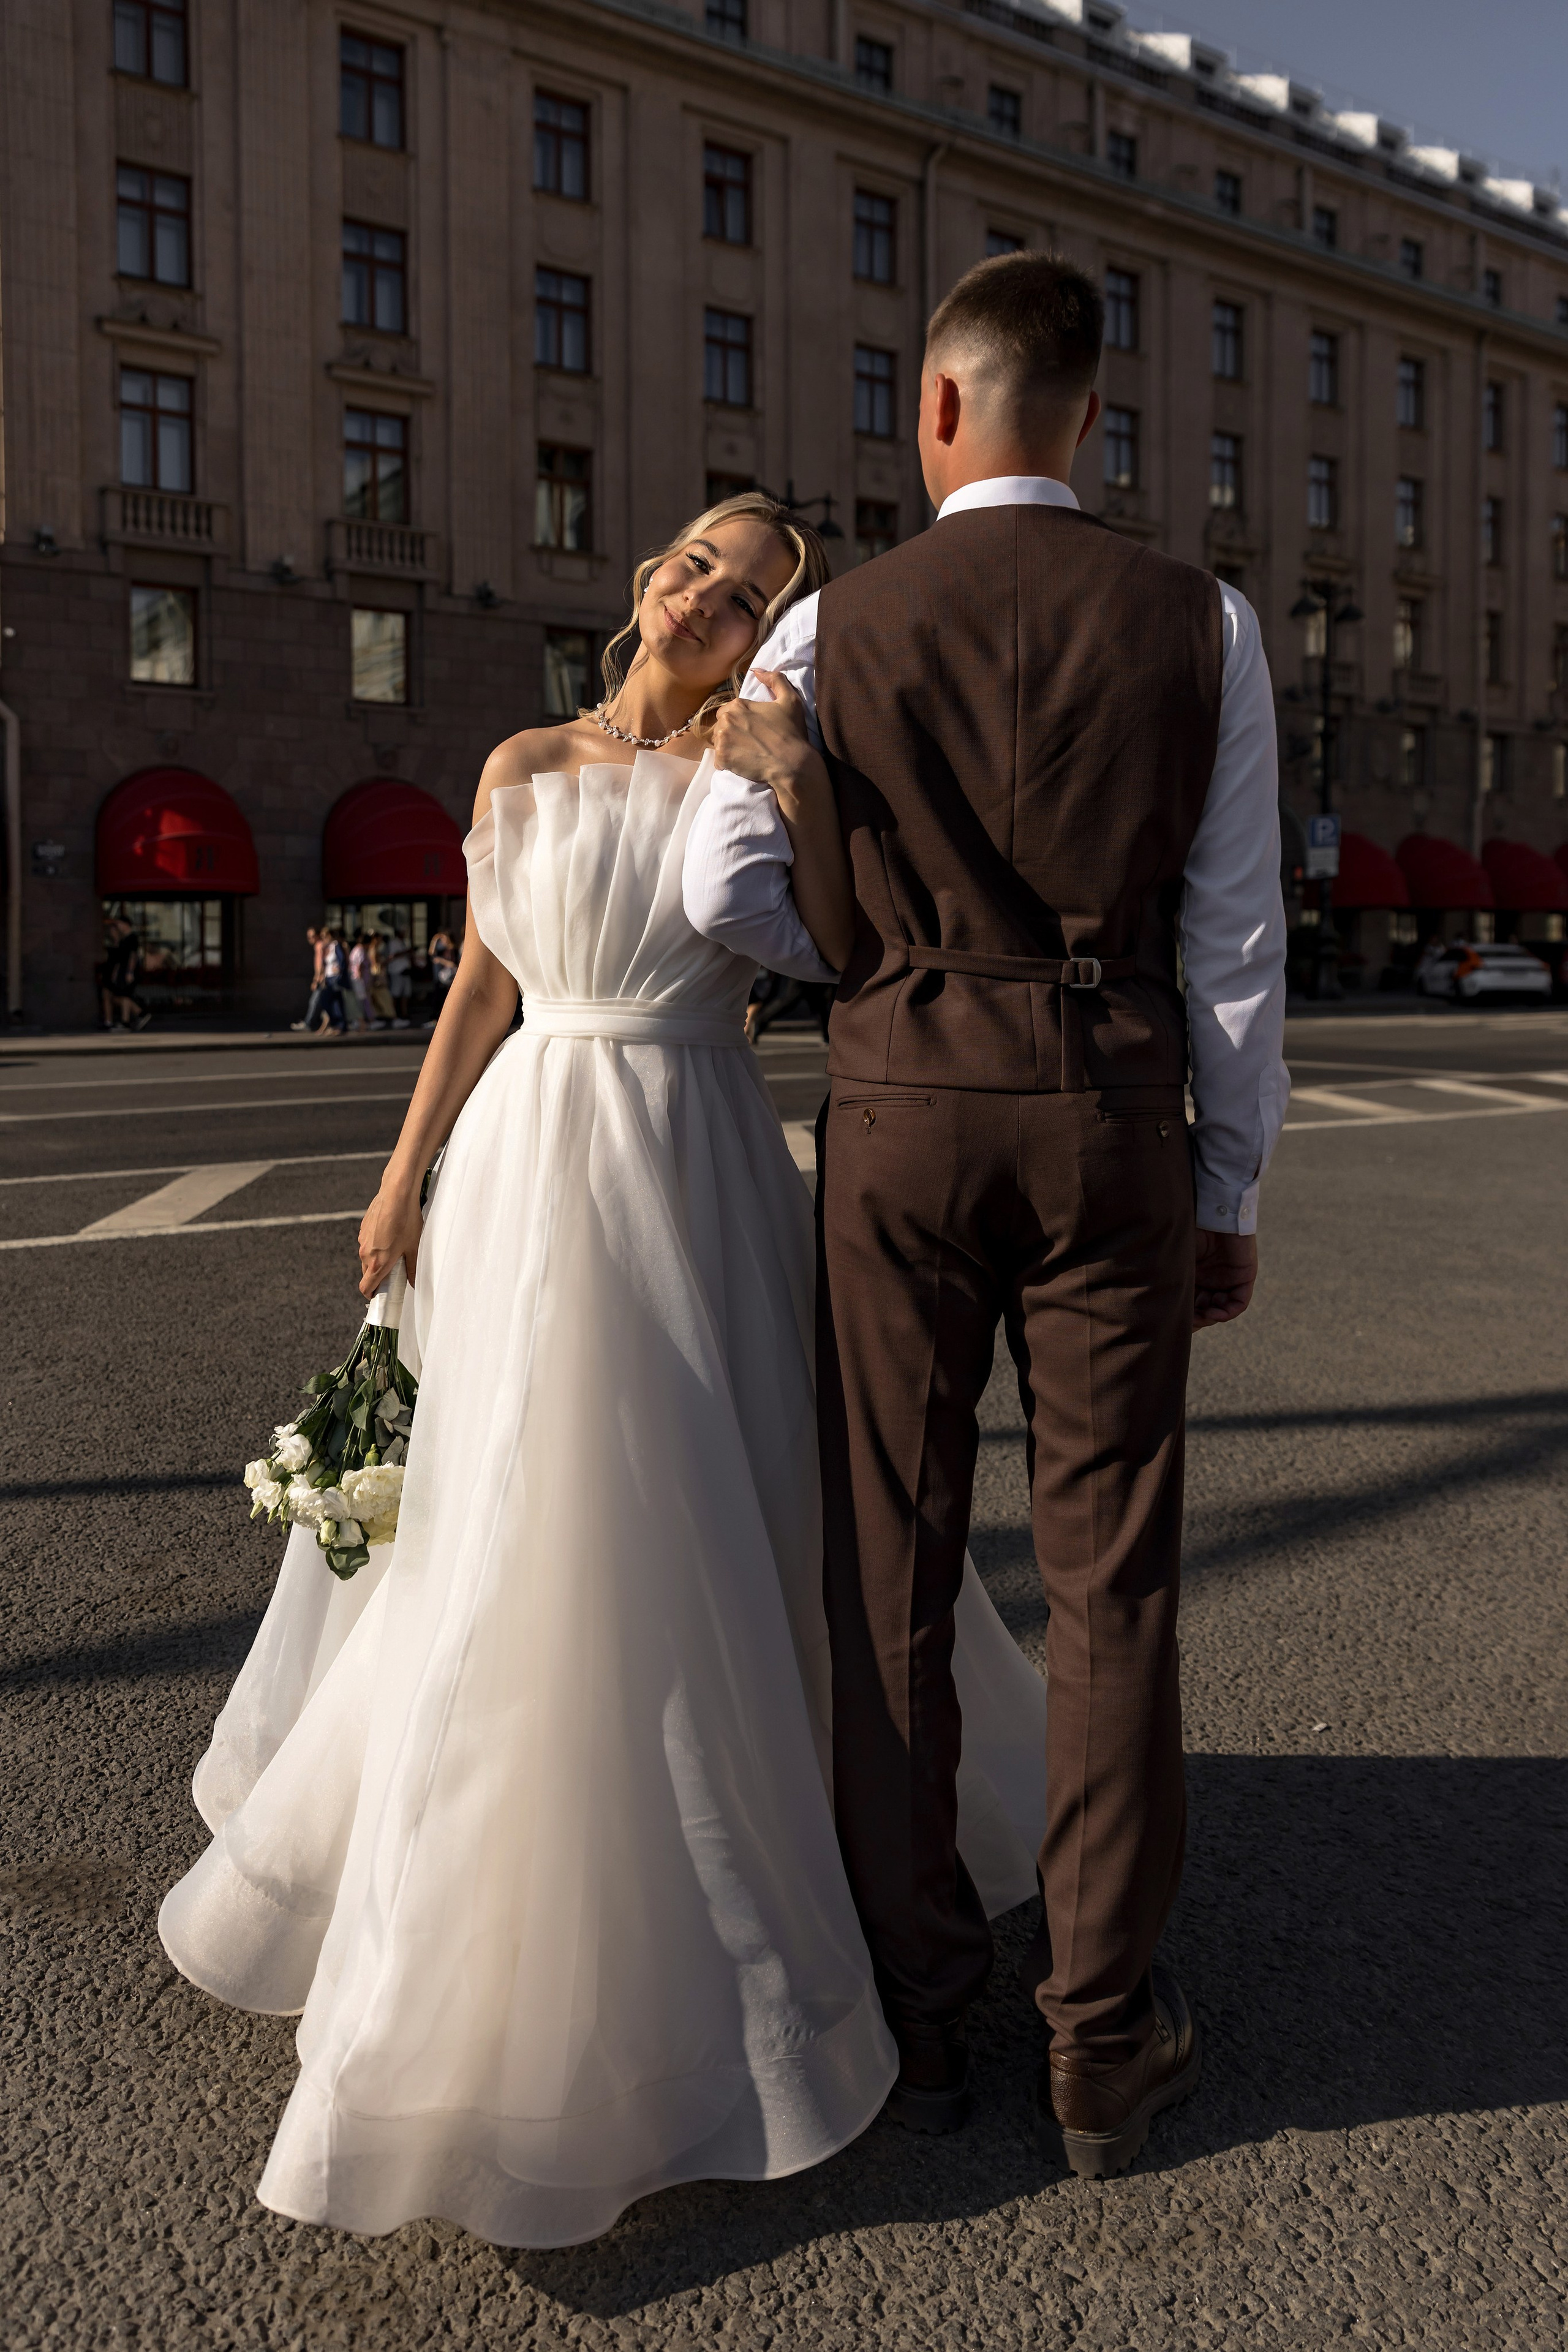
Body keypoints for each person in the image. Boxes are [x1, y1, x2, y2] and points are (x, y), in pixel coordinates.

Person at [156, 491, 1053, 2247]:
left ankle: (755, 1889)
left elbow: (854, 951)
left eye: (747, 594)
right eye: (695, 561)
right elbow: (480, 986)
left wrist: (795, 772)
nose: (703, 594)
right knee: (501, 1508)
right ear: (649, 580)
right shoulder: (516, 757)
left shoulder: (760, 778)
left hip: (693, 1152)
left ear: (764, 639)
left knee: (708, 1505)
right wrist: (403, 1170)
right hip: (517, 1153)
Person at [685, 251, 1289, 2177]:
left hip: (900, 1111)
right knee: (1113, 1579)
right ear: (1089, 420)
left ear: (933, 413)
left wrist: (874, 957)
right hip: (1110, 1112)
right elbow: (1238, 946)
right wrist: (1229, 1179)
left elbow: (717, 888)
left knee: (893, 1558)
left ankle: (918, 2006)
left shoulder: (828, 629)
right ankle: (1102, 2038)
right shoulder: (1200, 622)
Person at [99, 914, 150, 1030]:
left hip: (127, 972)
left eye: (119, 924)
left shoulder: (132, 938)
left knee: (124, 995)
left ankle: (127, 1021)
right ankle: (138, 1014)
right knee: (121, 995)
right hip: (123, 972)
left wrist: (130, 972)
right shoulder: (124, 940)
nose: (119, 927)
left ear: (126, 924)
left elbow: (133, 956)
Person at [386, 921, 412, 1027]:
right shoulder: (394, 943)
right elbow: (392, 956)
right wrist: (406, 952)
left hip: (405, 971)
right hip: (397, 971)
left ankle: (404, 1013)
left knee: (405, 994)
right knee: (395, 994)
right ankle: (394, 1014)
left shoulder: (403, 942)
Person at [366, 932, 396, 1025]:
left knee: (379, 997)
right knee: (384, 996)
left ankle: (383, 1016)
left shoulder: (374, 948)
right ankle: (391, 1016)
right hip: (378, 975)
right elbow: (375, 963)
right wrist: (387, 960)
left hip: (377, 974)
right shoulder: (373, 948)